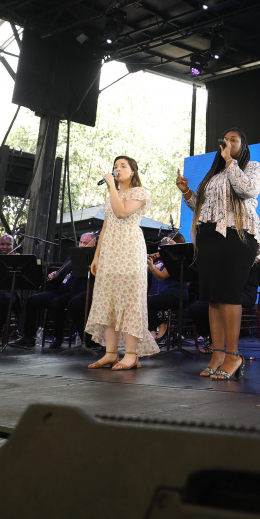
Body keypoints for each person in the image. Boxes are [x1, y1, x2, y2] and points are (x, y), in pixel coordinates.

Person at [177, 128, 260, 381]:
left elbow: (247, 190)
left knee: (228, 295)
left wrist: (230, 162)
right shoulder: (214, 174)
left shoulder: (252, 167)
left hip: (238, 233)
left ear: (243, 145)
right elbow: (203, 207)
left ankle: (233, 355)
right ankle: (217, 355)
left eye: (233, 140)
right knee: (213, 298)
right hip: (209, 235)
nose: (227, 143)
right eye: (224, 140)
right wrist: (186, 191)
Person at [84, 156, 158, 371]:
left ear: (133, 171)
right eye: (115, 166)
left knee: (129, 300)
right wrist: (97, 256)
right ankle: (110, 353)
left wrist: (111, 188)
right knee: (108, 300)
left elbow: (122, 212)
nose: (118, 169)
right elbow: (105, 228)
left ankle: (131, 355)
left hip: (129, 250)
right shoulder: (113, 195)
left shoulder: (139, 193)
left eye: (123, 166)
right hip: (110, 251)